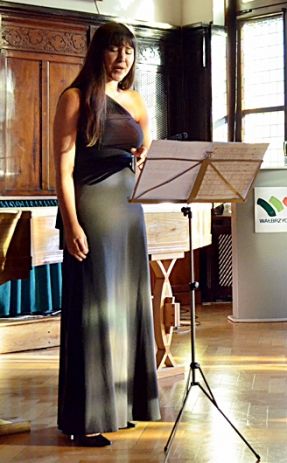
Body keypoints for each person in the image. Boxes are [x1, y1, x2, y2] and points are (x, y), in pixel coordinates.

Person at [53, 22, 160, 446]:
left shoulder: (135, 99)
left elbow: (146, 148)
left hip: (130, 211)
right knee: (93, 309)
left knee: (128, 307)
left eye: (129, 51)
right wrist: (71, 223)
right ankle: (86, 418)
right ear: (99, 52)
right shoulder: (75, 98)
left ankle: (123, 406)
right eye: (115, 50)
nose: (122, 58)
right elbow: (63, 169)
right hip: (92, 209)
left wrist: (146, 150)